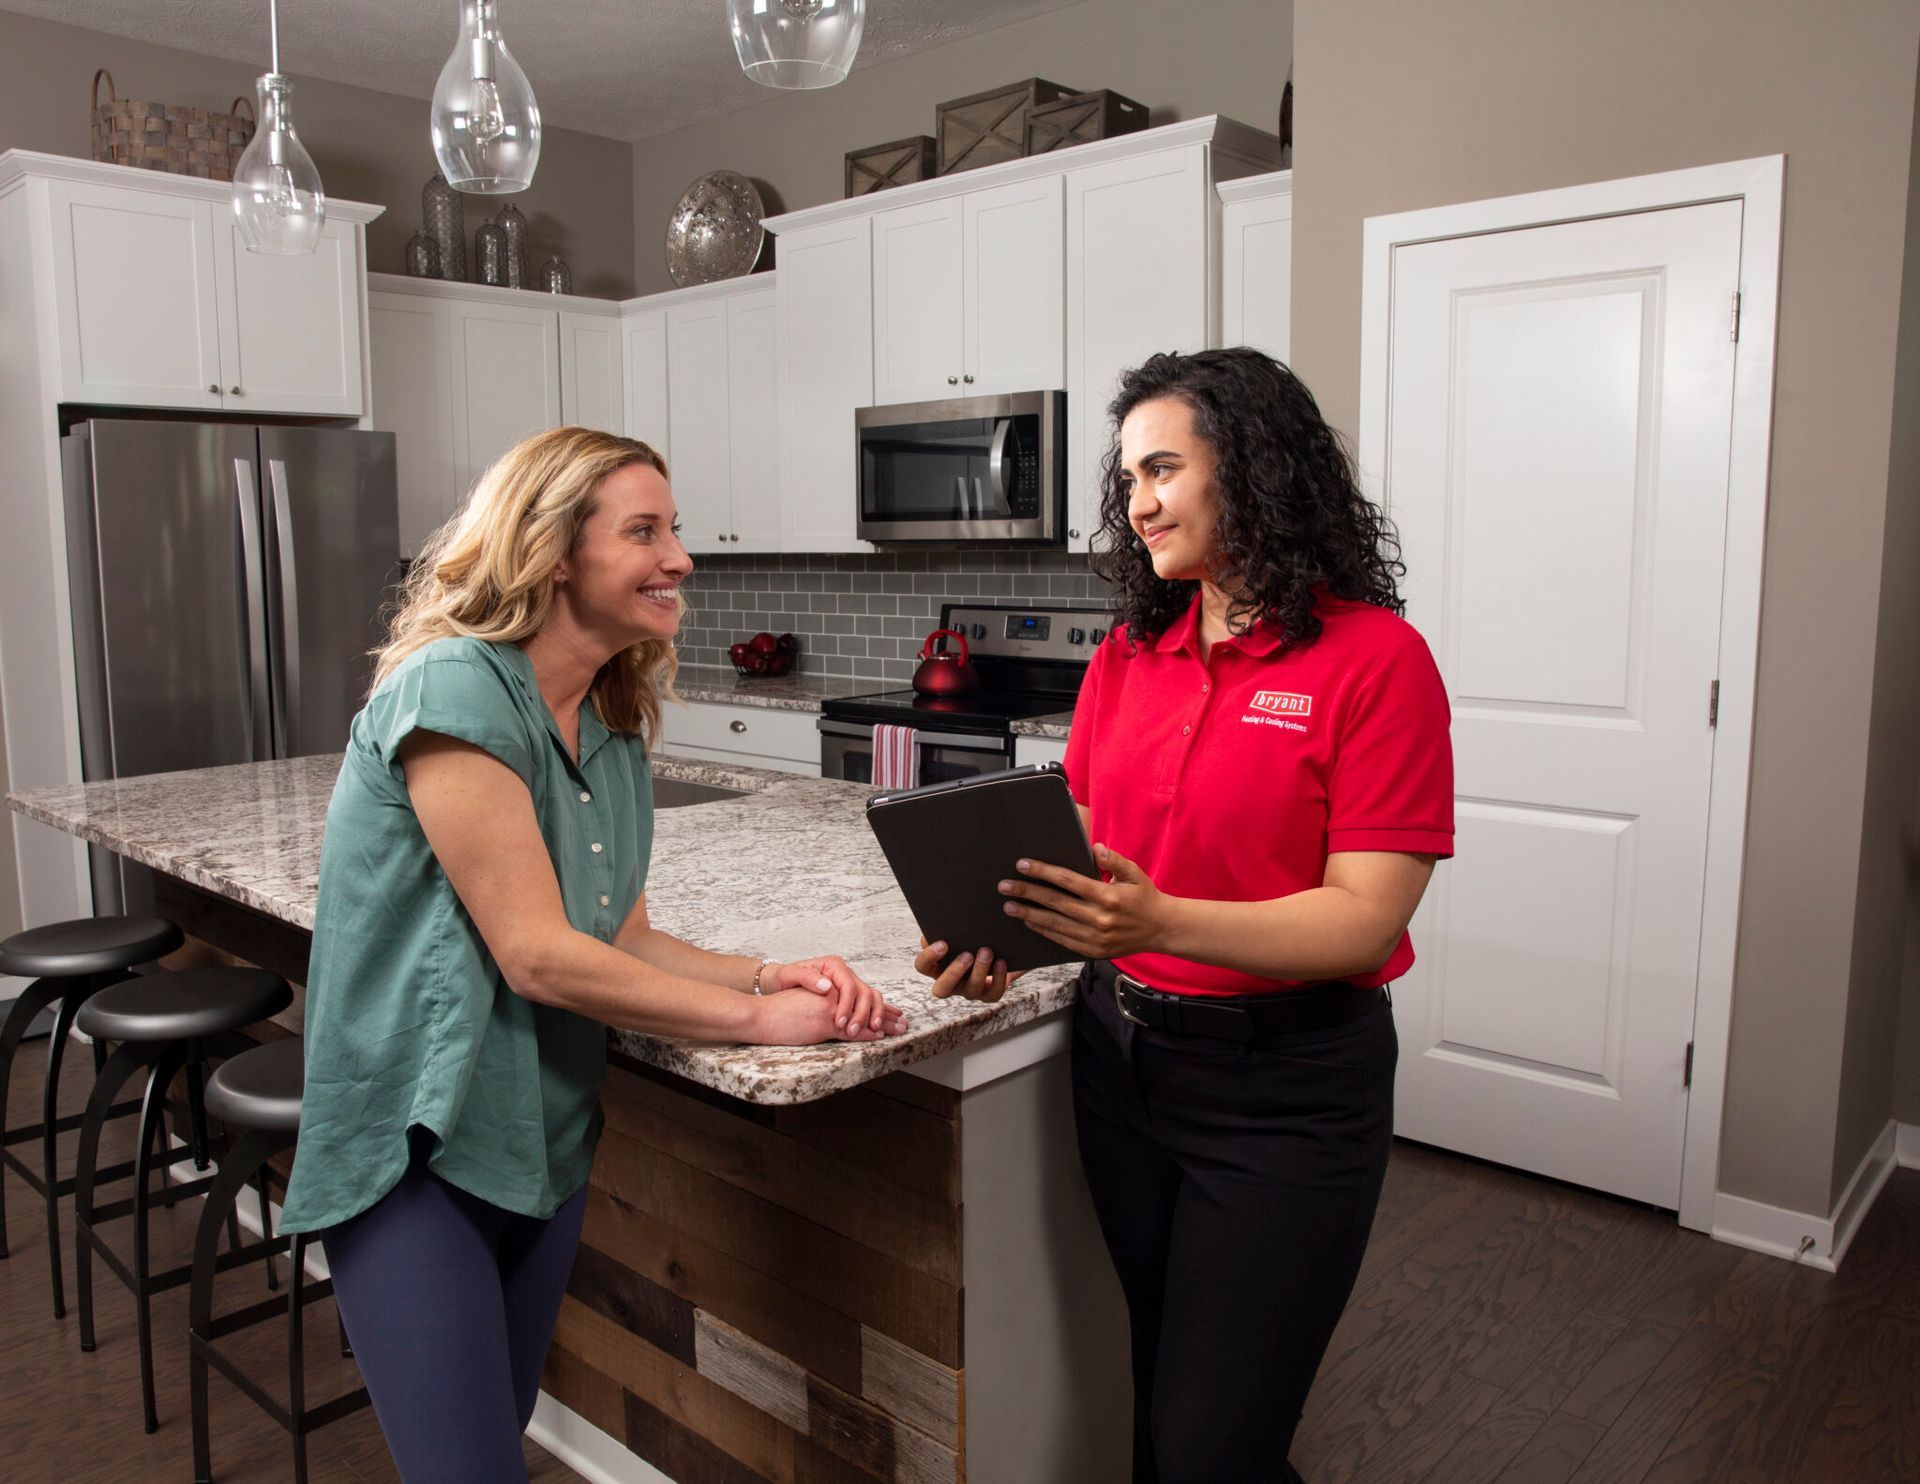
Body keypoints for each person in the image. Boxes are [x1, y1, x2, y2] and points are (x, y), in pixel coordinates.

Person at [277, 426, 905, 1482]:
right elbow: (537, 955)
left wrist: (766, 972)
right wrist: (758, 1023)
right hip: (414, 1150)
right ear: (556, 549)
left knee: (491, 1437)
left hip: (544, 1140)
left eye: (677, 530)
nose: (681, 558)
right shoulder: (455, 690)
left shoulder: (611, 719)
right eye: (644, 530)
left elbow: (620, 936)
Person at [917, 348, 1453, 1482]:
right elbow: (1080, 864)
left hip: (1288, 1095)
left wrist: (1156, 924)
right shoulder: (1127, 657)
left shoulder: (1376, 662)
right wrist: (997, 936)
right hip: (1121, 1066)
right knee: (1165, 1401)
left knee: (1213, 1442)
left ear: (1252, 470)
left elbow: (1362, 921)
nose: (1139, 502)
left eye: (1163, 468)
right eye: (1129, 479)